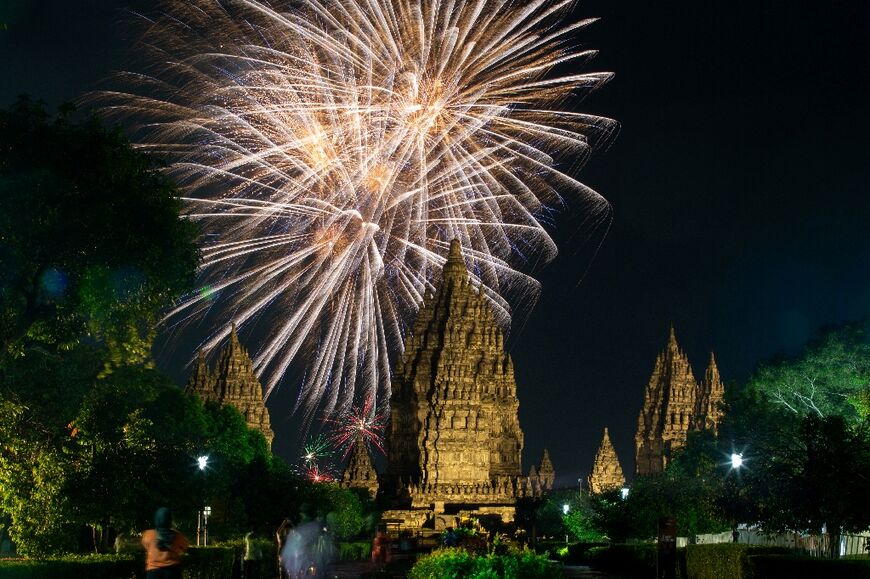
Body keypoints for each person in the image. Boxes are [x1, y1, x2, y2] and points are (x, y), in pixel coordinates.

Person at [141, 507, 189, 579]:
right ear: (169, 520)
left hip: (153, 573)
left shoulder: (148, 535)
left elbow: (145, 546)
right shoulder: (177, 536)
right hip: (173, 572)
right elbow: (185, 546)